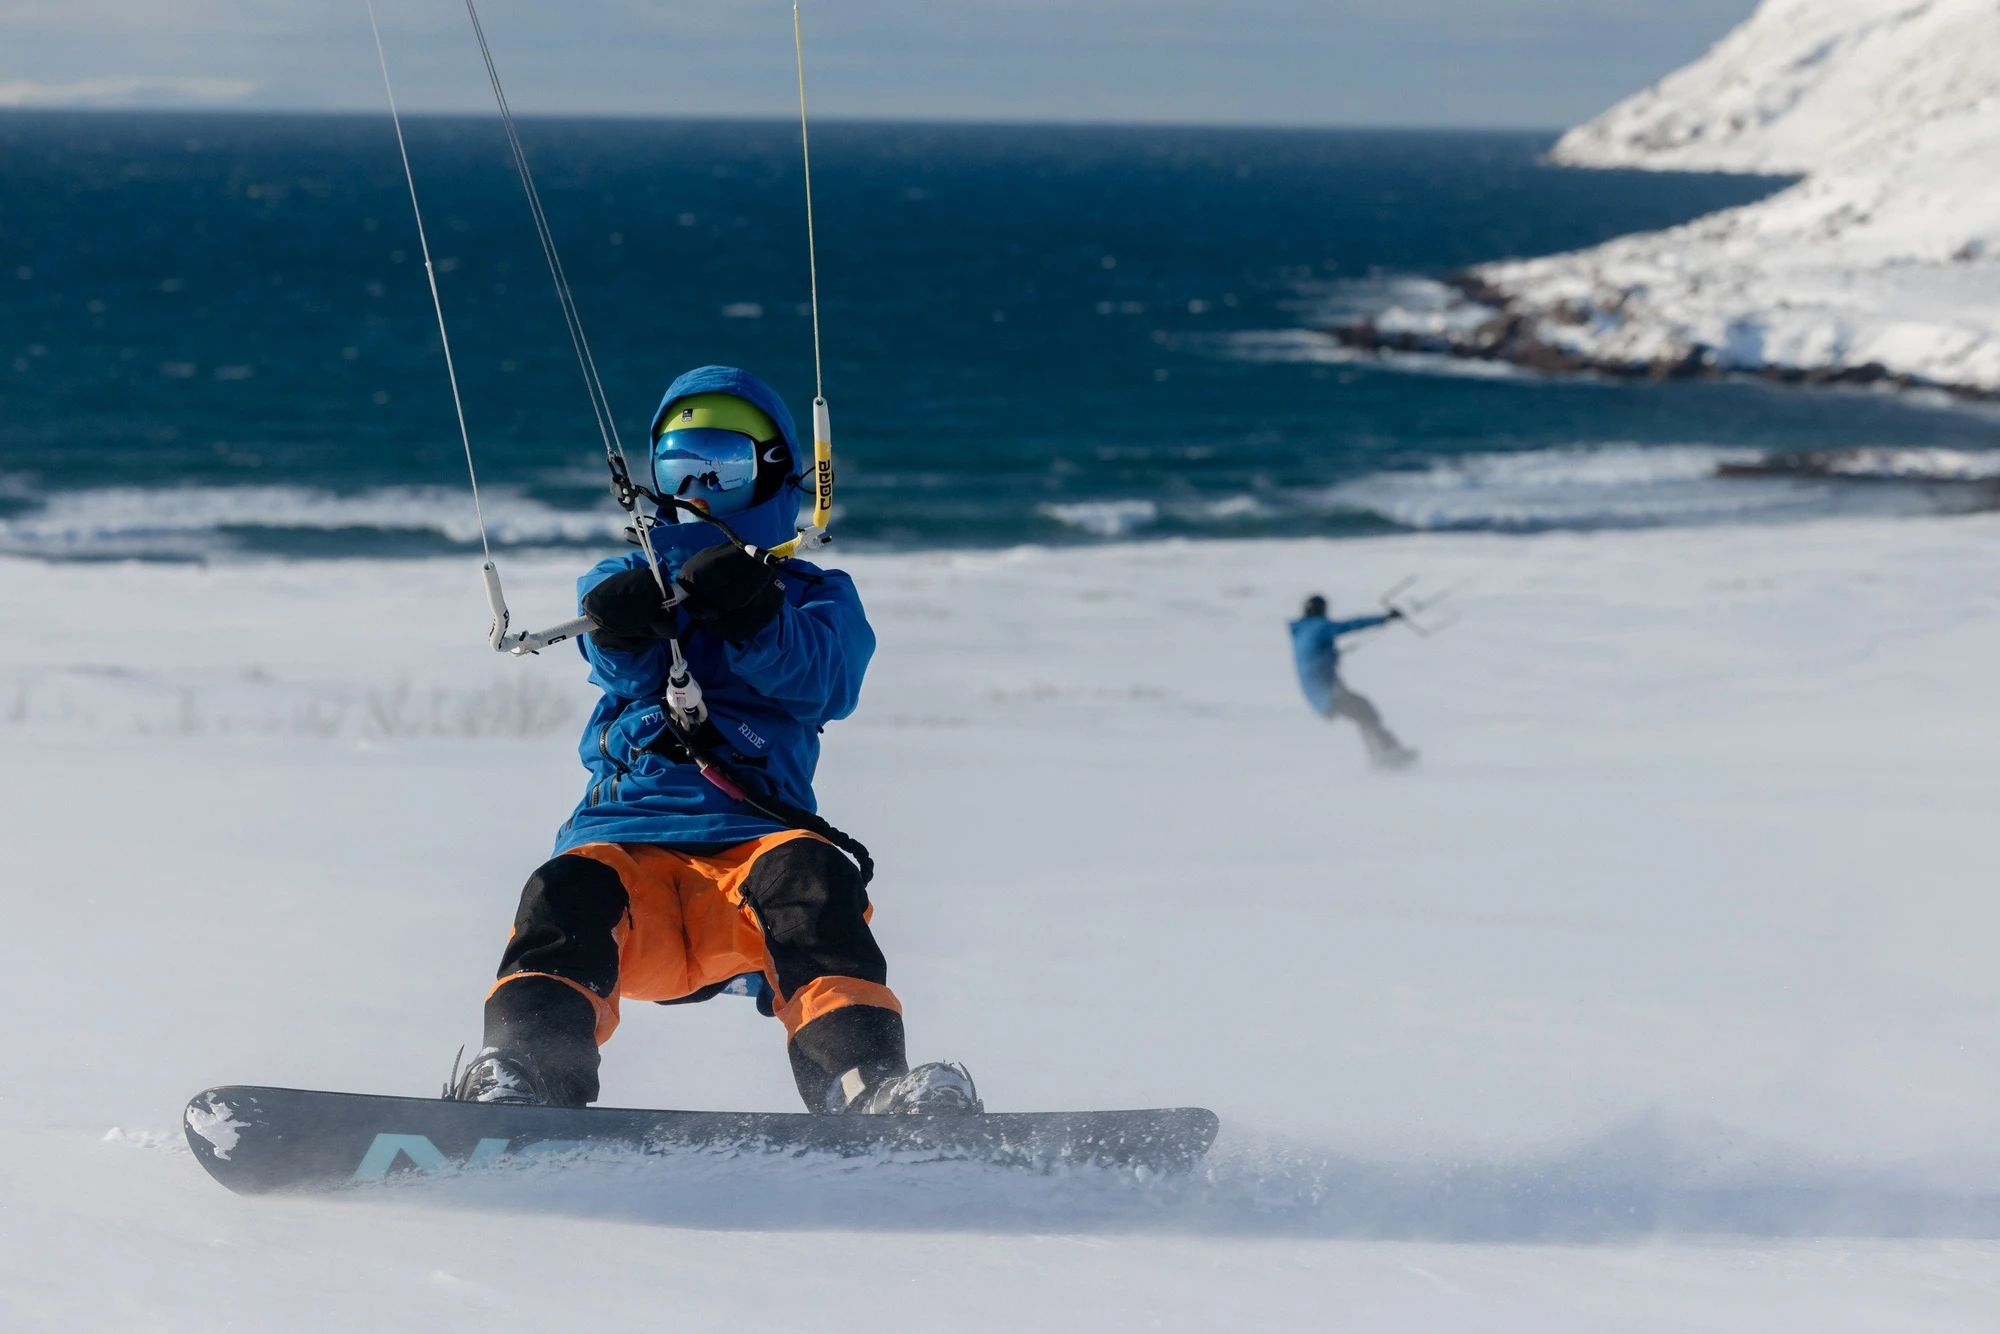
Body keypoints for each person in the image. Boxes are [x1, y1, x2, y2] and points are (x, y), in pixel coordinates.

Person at [451, 365, 978, 1115]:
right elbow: (615, 663)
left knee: (815, 880)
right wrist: (624, 623)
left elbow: (829, 683)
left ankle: (867, 1088)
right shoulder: (628, 574)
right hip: (630, 857)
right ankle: (524, 1079)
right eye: (678, 468)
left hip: (753, 864)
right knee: (562, 892)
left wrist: (758, 617)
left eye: (719, 469)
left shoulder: (818, 597)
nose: (696, 491)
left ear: (768, 475)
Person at [1289, 594, 1418, 769]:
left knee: (1363, 713)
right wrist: (1386, 618)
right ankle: (1386, 753)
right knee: (1365, 712)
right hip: (1326, 693)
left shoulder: (1302, 630)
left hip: (1317, 694)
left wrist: (1330, 655)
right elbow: (1350, 625)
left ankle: (1382, 753)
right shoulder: (1318, 627)